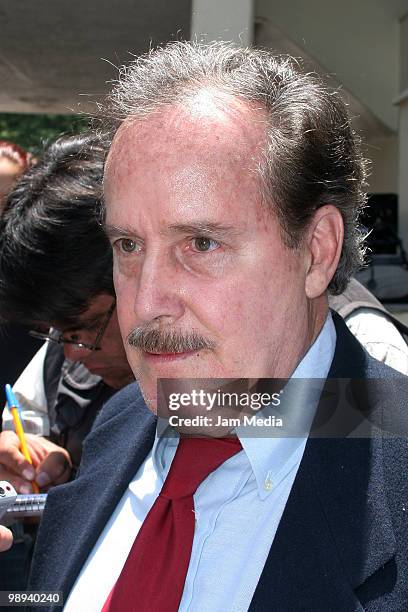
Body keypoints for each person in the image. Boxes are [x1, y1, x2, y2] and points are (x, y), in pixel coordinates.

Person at [28, 42, 408, 611]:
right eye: (128, 245)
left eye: (201, 243)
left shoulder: (390, 450)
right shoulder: (122, 422)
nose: (147, 301)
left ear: (316, 252)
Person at [0, 134, 133, 589]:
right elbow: (21, 426)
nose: (73, 351)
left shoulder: (345, 332)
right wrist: (21, 460)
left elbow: (358, 424)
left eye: (88, 327)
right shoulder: (60, 358)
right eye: (59, 333)